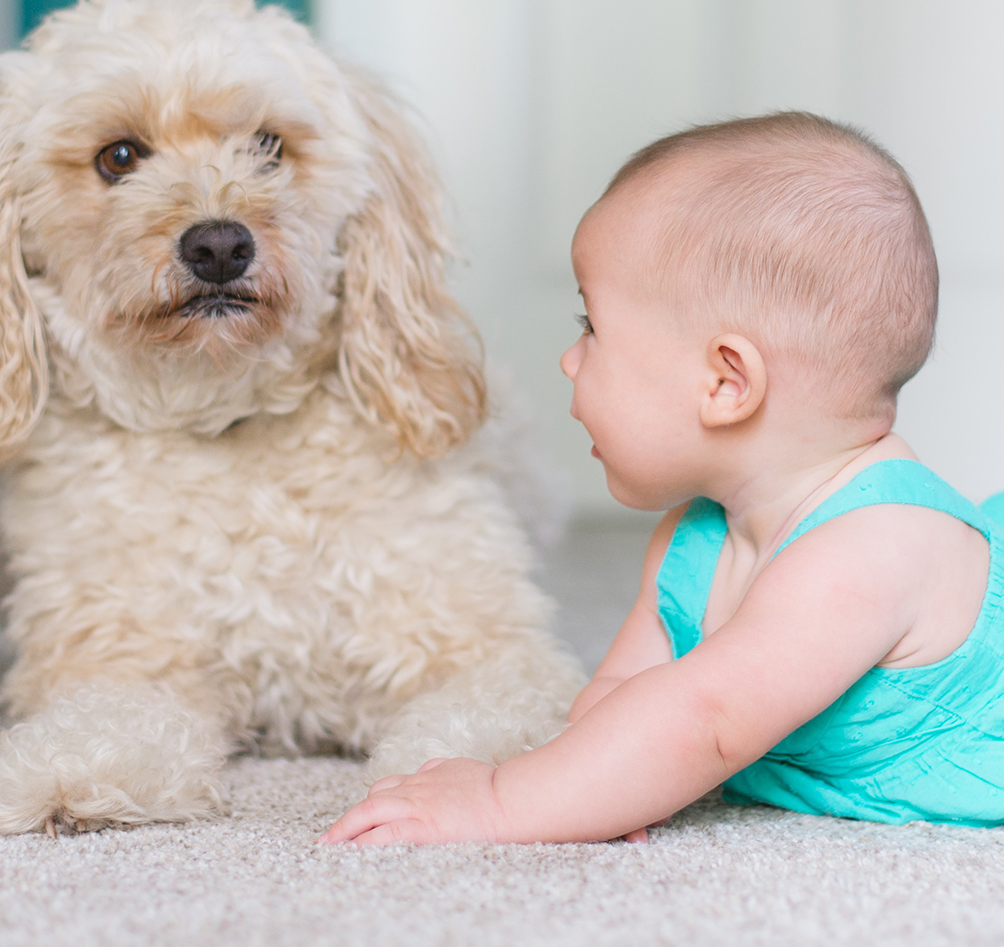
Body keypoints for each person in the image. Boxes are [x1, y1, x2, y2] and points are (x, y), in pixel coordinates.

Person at [321, 111, 1004, 846]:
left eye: (592, 328)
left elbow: (704, 723)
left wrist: (498, 802)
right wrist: (592, 786)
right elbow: (621, 700)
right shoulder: (694, 540)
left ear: (725, 382)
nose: (568, 360)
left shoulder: (870, 550)